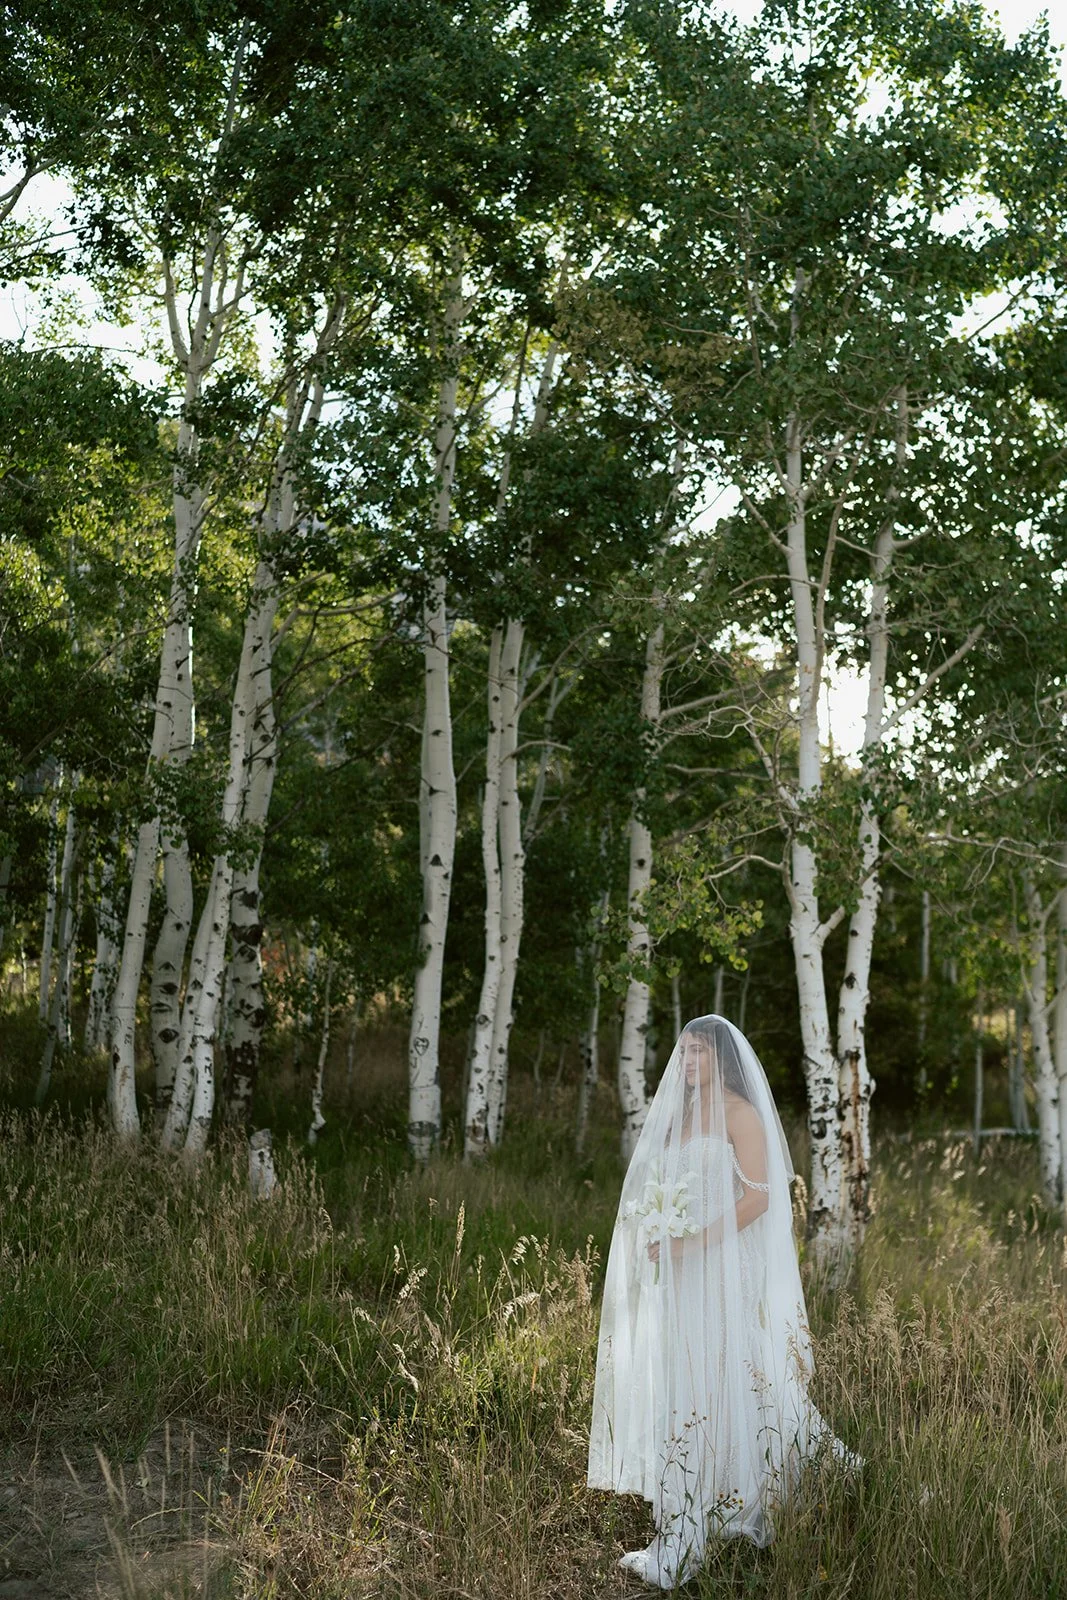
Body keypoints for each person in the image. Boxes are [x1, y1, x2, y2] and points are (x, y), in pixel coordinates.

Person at [587, 1014, 859, 1589]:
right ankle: (701, 1498)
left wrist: (688, 1241)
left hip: (719, 1269)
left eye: (698, 1054)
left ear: (722, 1059)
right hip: (681, 1277)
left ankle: (700, 1520)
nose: (687, 1063)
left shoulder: (741, 1113)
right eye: (682, 1053)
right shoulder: (682, 1118)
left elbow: (758, 1199)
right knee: (687, 1379)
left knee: (721, 1377)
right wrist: (655, 1227)